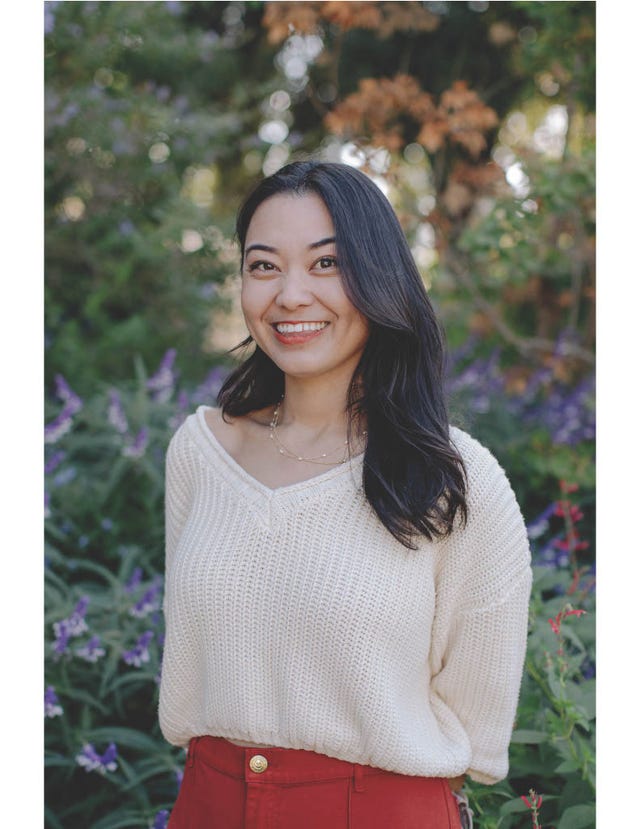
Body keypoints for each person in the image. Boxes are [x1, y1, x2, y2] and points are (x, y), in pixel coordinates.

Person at [159, 160, 532, 829]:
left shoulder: (455, 481)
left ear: (379, 278)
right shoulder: (201, 452)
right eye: (264, 265)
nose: (290, 295)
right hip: (207, 803)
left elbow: (477, 720)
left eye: (326, 264)